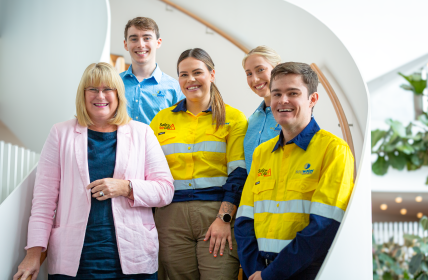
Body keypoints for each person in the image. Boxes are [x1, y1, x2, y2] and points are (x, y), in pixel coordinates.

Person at [13, 62, 174, 280]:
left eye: (108, 89)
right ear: (83, 94)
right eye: (93, 89)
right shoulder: (60, 134)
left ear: (118, 94)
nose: (101, 95)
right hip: (75, 261)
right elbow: (44, 200)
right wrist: (33, 254)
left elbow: (165, 190)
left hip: (134, 257)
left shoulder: (142, 133)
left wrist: (126, 187)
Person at [235, 62, 354, 280]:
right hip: (257, 272)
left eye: (293, 93)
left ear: (313, 99)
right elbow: (244, 220)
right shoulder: (262, 152)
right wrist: (255, 272)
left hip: (305, 273)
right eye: (277, 93)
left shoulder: (334, 151)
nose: (283, 101)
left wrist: (271, 274)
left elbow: (323, 227)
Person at [150, 48, 248, 280]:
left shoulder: (233, 118)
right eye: (183, 74)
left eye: (197, 72)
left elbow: (238, 174)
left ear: (212, 74)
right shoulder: (161, 120)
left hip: (215, 213)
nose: (190, 79)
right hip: (170, 216)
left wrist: (224, 218)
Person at [120, 17, 185, 125]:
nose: (140, 44)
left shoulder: (175, 88)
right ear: (126, 44)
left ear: (158, 43)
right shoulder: (113, 84)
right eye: (134, 39)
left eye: (147, 38)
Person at [243, 46, 282, 173]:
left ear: (278, 68)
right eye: (249, 74)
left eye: (260, 70)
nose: (254, 79)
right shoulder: (252, 120)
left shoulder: (293, 117)